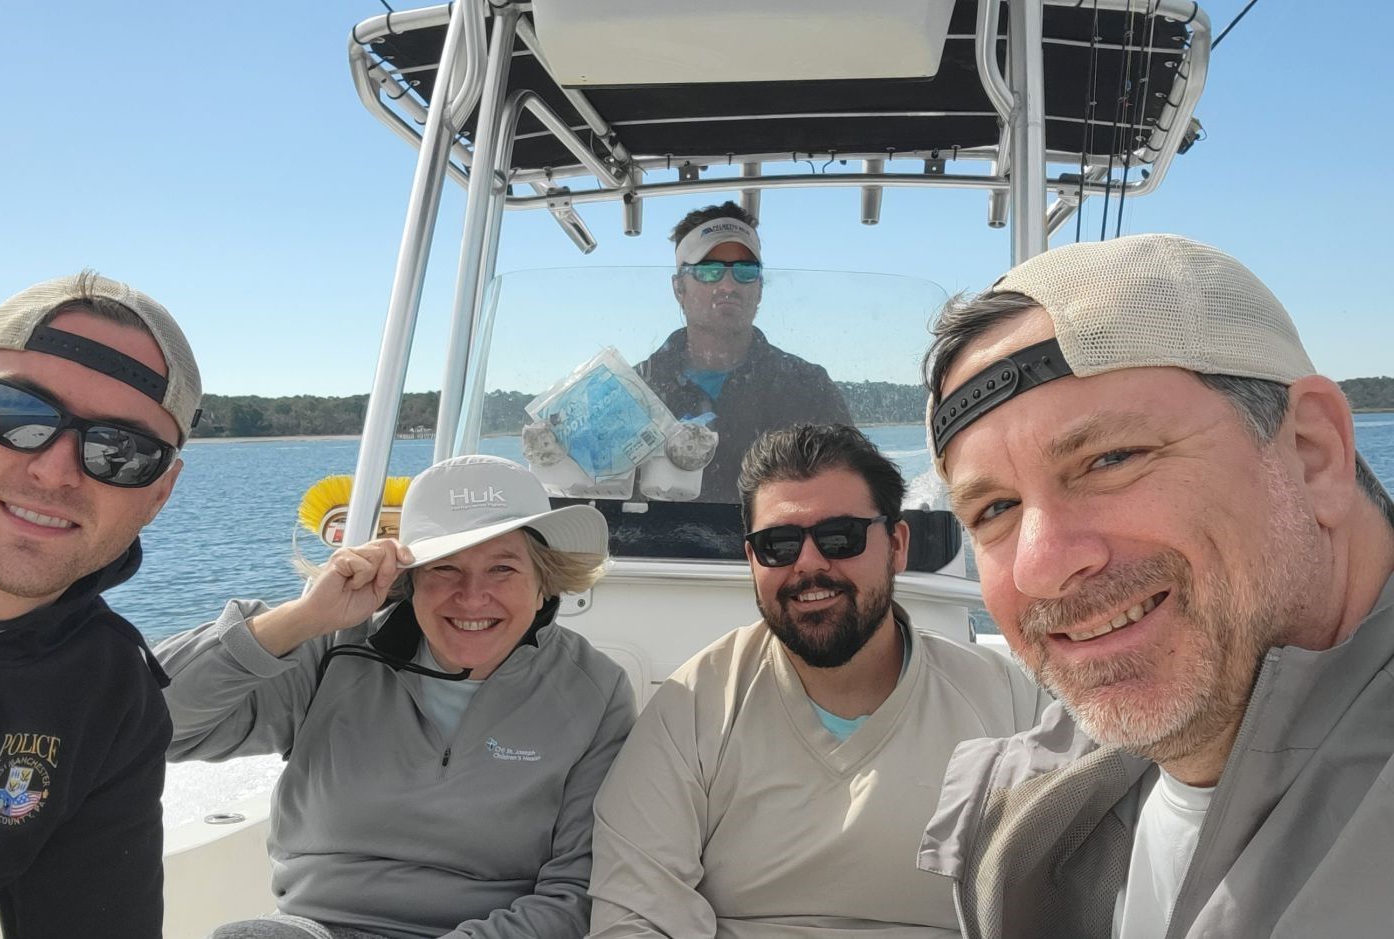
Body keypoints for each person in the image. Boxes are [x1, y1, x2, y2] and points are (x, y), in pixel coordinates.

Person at [916, 234, 1394, 938]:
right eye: (994, 510)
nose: (1041, 564)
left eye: (1110, 457)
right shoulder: (1041, 809)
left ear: (1313, 455)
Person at [588, 423, 1047, 938]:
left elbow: (1074, 891)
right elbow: (634, 914)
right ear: (752, 561)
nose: (809, 563)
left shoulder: (1008, 705)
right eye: (778, 544)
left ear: (896, 545)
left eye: (840, 537)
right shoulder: (694, 705)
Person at [156, 454, 637, 939]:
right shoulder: (334, 648)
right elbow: (150, 723)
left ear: (543, 584)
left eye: (502, 569)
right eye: (445, 568)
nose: (472, 597)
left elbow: (576, 891)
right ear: (410, 582)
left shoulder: (594, 690)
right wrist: (303, 618)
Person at [0, 271, 202, 936]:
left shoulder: (106, 693)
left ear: (160, 492)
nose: (56, 469)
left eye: (121, 451)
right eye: (17, 413)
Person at [636, 202, 852, 502]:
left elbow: (850, 490)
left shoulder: (807, 386)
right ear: (679, 289)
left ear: (760, 288)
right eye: (709, 271)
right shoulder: (636, 391)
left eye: (745, 271)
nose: (727, 285)